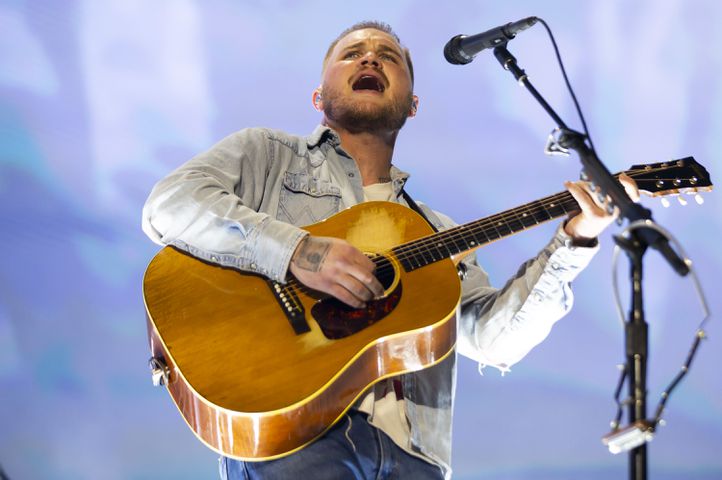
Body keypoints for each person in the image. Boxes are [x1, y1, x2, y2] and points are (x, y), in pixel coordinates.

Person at [142, 20, 637, 480]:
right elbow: (169, 204)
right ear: (319, 96)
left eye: (388, 57)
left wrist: (577, 238)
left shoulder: (435, 230)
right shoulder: (267, 155)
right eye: (352, 53)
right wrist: (298, 252)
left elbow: (493, 339)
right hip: (295, 429)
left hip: (413, 458)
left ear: (412, 105)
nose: (370, 60)